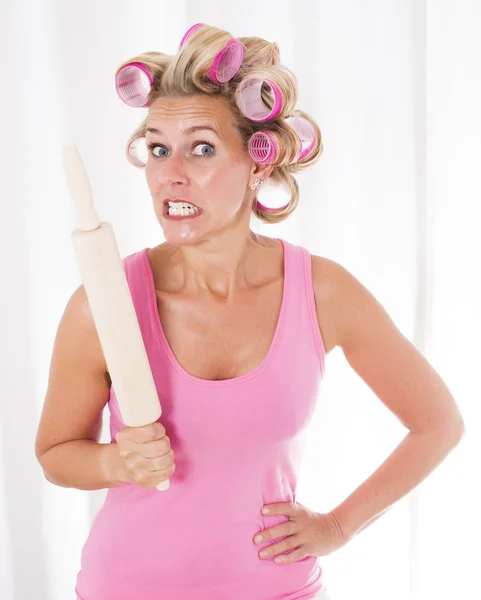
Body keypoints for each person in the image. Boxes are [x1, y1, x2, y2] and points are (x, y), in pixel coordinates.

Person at [34, 24, 465, 600]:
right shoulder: (103, 300)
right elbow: (56, 454)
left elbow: (438, 424)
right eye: (158, 148)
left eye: (202, 147)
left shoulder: (322, 292)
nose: (171, 173)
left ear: (259, 162)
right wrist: (115, 463)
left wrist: (336, 528)